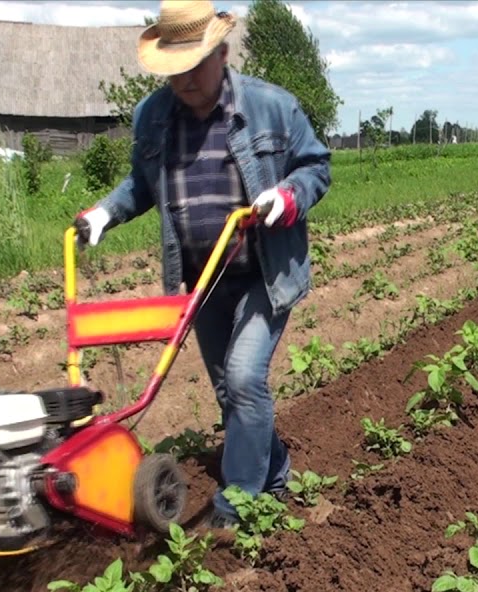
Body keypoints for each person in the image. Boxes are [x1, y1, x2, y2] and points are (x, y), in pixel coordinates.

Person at [73, 0, 331, 528]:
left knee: (243, 377)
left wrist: (286, 198)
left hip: (265, 270)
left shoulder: (271, 107)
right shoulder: (151, 116)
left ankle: (237, 504)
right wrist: (106, 212)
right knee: (230, 392)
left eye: (194, 66)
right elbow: (142, 185)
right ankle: (275, 475)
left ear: (223, 52)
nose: (184, 80)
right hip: (203, 279)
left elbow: (315, 166)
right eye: (174, 71)